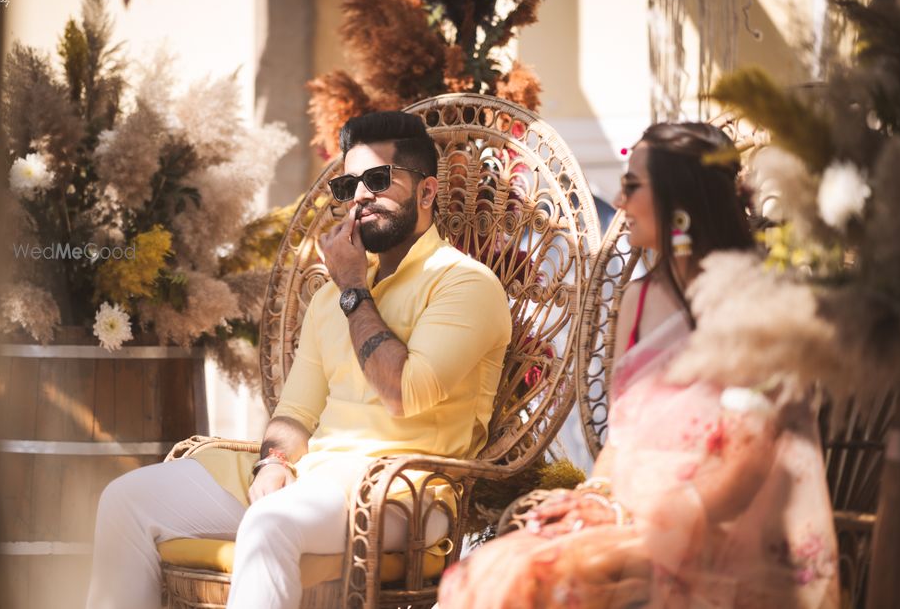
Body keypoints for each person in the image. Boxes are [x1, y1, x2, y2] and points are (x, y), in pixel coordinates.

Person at [85, 111, 512, 609]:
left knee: (270, 522)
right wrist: (273, 462)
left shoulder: (464, 284)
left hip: (403, 491)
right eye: (349, 185)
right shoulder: (332, 297)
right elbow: (295, 412)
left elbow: (403, 393)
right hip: (314, 484)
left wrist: (354, 288)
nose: (360, 197)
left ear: (427, 192)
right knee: (126, 500)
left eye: (377, 180)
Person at [437, 123, 840, 608]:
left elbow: (748, 461)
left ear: (680, 201)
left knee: (539, 579)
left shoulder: (756, 303)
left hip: (718, 525)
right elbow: (623, 438)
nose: (621, 202)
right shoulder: (637, 298)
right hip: (635, 511)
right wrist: (596, 497)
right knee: (486, 570)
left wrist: (657, 525)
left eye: (632, 186)